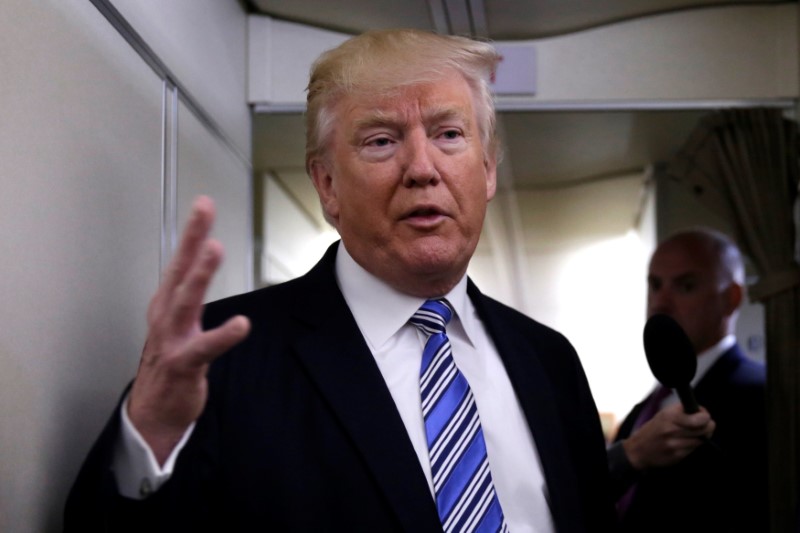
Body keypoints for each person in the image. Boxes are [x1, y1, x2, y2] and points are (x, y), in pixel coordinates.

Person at [64, 29, 615, 532]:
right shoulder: (226, 356)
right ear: (326, 183)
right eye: (381, 141)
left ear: (488, 170)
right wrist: (152, 439)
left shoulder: (549, 360)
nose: (423, 167)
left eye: (449, 134)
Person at [609, 228, 768, 533]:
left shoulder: (762, 396)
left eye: (686, 286)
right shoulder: (644, 410)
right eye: (655, 285)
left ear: (731, 298)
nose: (661, 302)